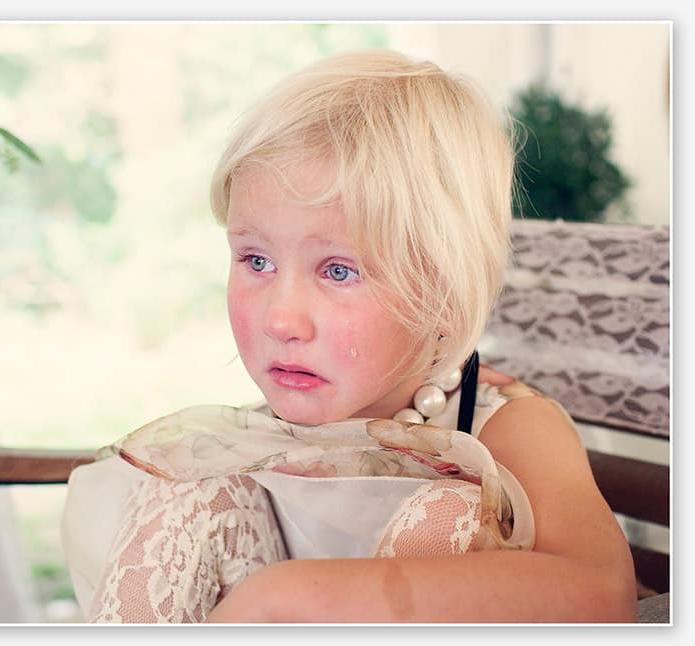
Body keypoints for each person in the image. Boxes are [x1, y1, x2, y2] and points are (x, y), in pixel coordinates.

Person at [60, 49, 637, 623]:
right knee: (188, 485)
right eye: (256, 260)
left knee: (448, 512)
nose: (281, 321)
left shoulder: (510, 422)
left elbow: (600, 592)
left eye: (339, 270)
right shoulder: (262, 435)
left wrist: (287, 598)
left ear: (444, 290)